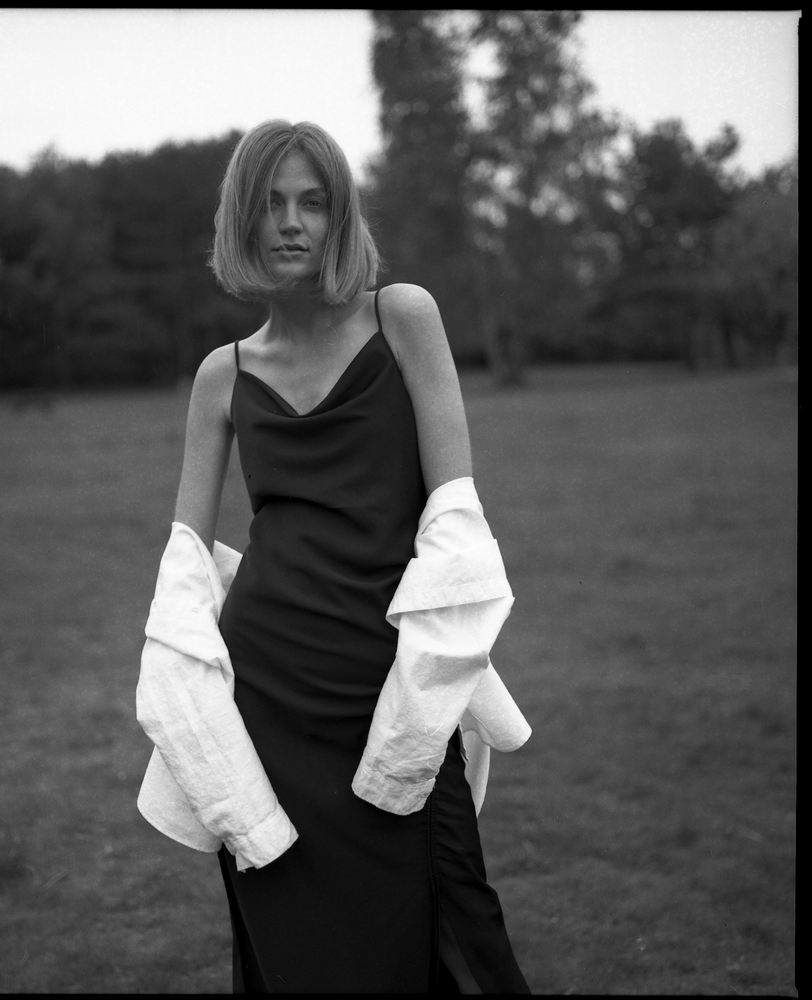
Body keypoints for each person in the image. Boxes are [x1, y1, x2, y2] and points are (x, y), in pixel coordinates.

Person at [136, 119, 531, 993]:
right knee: (297, 957)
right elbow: (184, 566)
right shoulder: (222, 374)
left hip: (393, 687)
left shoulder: (402, 317)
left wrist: (418, 710)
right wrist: (187, 706)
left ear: (340, 215)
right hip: (267, 704)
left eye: (312, 203)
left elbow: (455, 521)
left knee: (458, 937)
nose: (291, 223)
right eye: (270, 204)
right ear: (240, 220)